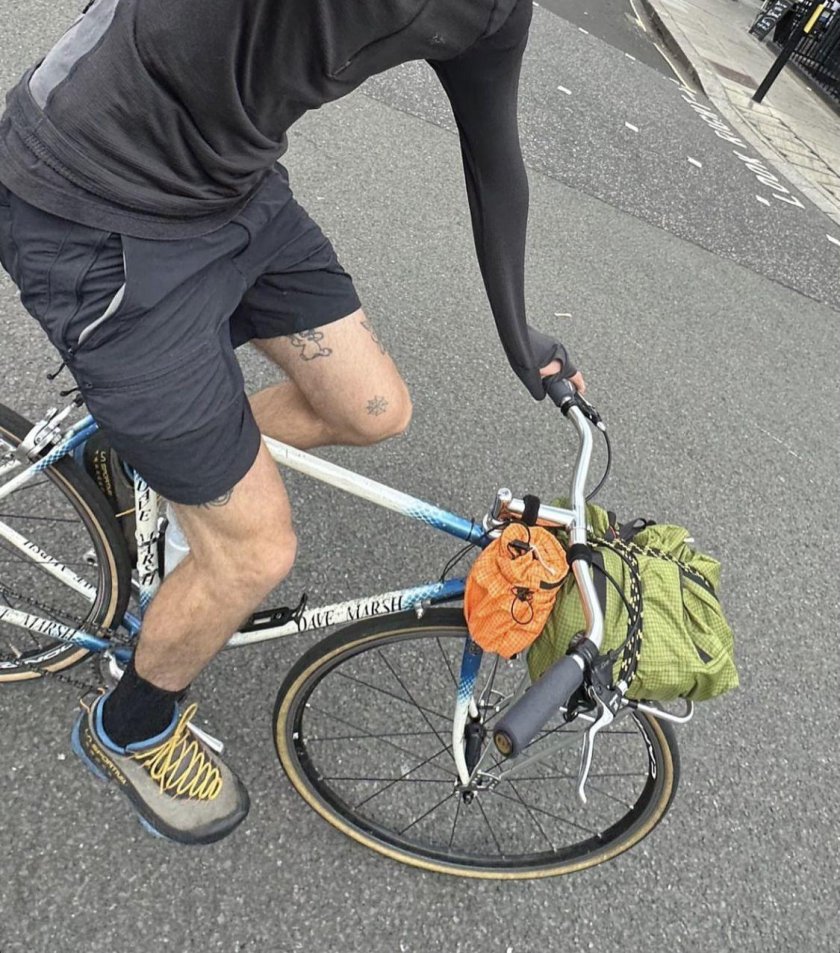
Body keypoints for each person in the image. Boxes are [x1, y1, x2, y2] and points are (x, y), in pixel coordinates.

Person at [0, 0, 585, 845]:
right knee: (254, 551)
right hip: (93, 198)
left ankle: (146, 456)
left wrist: (518, 332)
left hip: (232, 192)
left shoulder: (490, 13)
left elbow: (496, 160)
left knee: (373, 407)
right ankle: (129, 727)